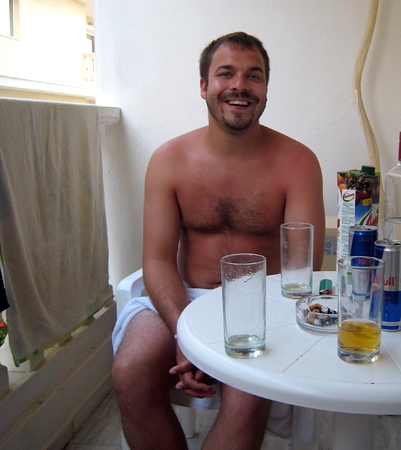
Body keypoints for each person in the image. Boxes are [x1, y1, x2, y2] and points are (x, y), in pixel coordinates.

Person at [111, 31, 325, 450]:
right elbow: (157, 261)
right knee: (130, 370)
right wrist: (185, 334)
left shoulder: (298, 162)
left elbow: (302, 269)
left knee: (249, 393)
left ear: (266, 89)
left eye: (254, 76)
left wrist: (236, 331)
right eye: (226, 73)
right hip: (183, 299)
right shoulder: (169, 160)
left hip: (263, 306)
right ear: (204, 85)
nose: (239, 86)